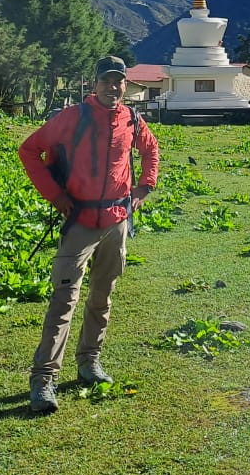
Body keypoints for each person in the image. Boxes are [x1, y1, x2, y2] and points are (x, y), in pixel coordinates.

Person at [19, 55, 159, 413]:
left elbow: (151, 150)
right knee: (64, 299)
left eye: (119, 82)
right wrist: (56, 196)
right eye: (106, 81)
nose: (113, 88)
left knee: (103, 294)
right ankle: (44, 379)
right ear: (93, 84)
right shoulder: (71, 118)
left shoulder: (132, 119)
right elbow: (30, 150)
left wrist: (144, 188)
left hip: (116, 221)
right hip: (80, 220)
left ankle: (89, 362)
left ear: (126, 85)